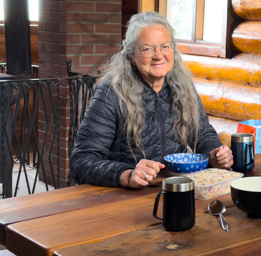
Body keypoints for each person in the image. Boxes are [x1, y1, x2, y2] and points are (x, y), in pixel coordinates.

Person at [70, 11, 233, 189]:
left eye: (165, 46)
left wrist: (214, 153)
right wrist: (127, 175)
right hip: (123, 198)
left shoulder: (183, 87)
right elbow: (81, 162)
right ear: (131, 57)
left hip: (174, 189)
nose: (158, 55)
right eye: (147, 49)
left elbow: (203, 134)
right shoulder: (111, 93)